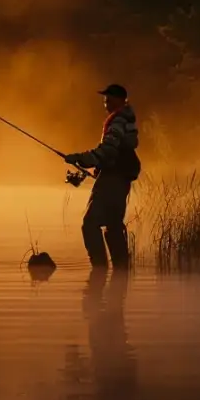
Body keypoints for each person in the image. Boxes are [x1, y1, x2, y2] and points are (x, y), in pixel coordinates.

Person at [64, 84, 141, 268]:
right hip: (119, 180)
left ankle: (99, 271)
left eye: (110, 96)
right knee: (113, 226)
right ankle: (121, 275)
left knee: (90, 224)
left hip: (113, 180)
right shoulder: (125, 120)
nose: (105, 100)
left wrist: (79, 158)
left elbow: (107, 150)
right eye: (105, 96)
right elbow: (112, 153)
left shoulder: (117, 121)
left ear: (121, 100)